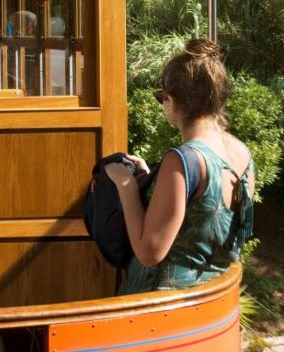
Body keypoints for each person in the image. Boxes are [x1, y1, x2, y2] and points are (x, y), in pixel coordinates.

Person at [105, 38, 255, 293]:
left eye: (161, 97)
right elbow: (199, 229)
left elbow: (149, 252)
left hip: (162, 309)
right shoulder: (241, 153)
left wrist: (126, 184)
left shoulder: (182, 160)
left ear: (172, 102)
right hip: (211, 298)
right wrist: (152, 177)